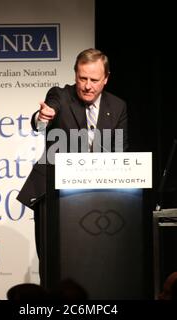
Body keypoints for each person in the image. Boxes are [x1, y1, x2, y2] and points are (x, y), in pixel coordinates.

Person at [17, 48, 128, 281]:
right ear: (75, 75)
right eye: (82, 78)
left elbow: (119, 152)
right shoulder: (60, 95)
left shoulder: (117, 107)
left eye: (94, 80)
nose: (87, 86)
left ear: (106, 79)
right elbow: (46, 113)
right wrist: (42, 117)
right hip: (54, 194)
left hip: (98, 197)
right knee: (54, 264)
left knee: (93, 264)